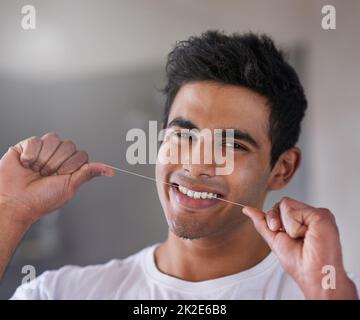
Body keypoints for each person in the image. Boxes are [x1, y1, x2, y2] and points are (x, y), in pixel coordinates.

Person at [1, 31, 359, 299]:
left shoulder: (327, 293)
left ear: (282, 169)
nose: (197, 163)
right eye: (183, 135)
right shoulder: (60, 294)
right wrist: (9, 211)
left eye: (232, 144)